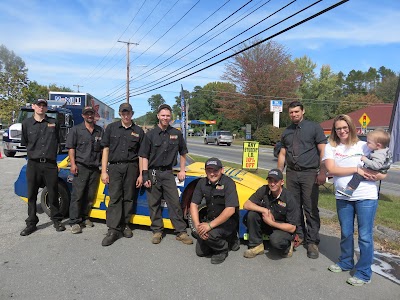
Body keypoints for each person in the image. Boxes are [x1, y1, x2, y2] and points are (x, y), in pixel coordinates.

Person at [323, 114, 386, 286]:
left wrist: (379, 175)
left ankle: (364, 273)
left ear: (351, 127)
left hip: (366, 197)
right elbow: (332, 169)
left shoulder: (365, 145)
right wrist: (357, 169)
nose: (342, 131)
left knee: (365, 236)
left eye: (345, 127)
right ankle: (345, 262)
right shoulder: (331, 147)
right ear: (335, 131)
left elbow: (382, 169)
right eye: (338, 128)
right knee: (346, 232)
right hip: (343, 196)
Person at [277, 101, 327, 259]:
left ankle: (312, 242)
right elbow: (283, 154)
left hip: (310, 174)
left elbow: (323, 150)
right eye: (291, 112)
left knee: (310, 208)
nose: (294, 114)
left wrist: (323, 172)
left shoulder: (314, 127)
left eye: (297, 112)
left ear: (303, 111)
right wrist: (278, 174)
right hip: (292, 173)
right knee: (293, 207)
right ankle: (300, 235)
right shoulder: (286, 132)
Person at [139, 104, 193, 245]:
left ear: (171, 117)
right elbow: (144, 156)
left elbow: (183, 152)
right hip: (153, 173)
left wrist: (182, 170)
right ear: (158, 116)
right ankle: (157, 231)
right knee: (154, 204)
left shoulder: (176, 133)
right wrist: (145, 175)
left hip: (168, 173)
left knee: (174, 203)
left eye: (168, 115)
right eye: (163, 115)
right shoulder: (150, 135)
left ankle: (181, 232)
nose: (165, 118)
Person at [100, 103, 144, 246]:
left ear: (132, 113)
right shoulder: (111, 128)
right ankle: (113, 229)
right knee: (114, 198)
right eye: (123, 113)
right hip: (115, 167)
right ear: (119, 114)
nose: (126, 115)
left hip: (132, 167)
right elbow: (105, 150)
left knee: (128, 198)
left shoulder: (138, 131)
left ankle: (125, 224)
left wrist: (141, 174)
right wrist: (104, 171)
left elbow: (141, 155)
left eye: (128, 113)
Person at [20, 99, 65, 236]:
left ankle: (56, 220)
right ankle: (31, 223)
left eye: (43, 106)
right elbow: (25, 142)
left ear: (46, 108)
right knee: (31, 194)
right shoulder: (26, 124)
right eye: (38, 105)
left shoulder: (54, 122)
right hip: (33, 163)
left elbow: (59, 141)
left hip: (50, 164)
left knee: (53, 193)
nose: (41, 107)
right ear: (33, 107)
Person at [190, 158, 240, 264]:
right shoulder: (202, 183)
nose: (212, 174)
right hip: (211, 219)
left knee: (211, 235)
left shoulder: (228, 183)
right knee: (200, 252)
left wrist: (209, 226)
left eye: (215, 170)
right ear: (205, 171)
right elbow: (193, 204)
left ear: (222, 170)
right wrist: (198, 226)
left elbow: (230, 210)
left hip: (228, 222)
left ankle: (222, 249)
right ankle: (224, 240)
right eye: (209, 170)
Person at [243, 169, 300, 259]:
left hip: (282, 228)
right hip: (268, 222)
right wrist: (264, 210)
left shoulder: (289, 198)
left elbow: (292, 228)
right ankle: (257, 245)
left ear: (282, 182)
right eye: (270, 181)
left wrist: (271, 223)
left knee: (276, 241)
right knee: (252, 214)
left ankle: (288, 246)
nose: (272, 184)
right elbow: (246, 204)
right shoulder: (264, 189)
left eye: (275, 181)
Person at [66, 106, 103, 234]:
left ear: (94, 115)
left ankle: (85, 217)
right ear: (83, 116)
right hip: (81, 166)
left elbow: (104, 149)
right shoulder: (76, 130)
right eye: (87, 114)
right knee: (77, 195)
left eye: (91, 114)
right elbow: (71, 148)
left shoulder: (99, 131)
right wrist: (73, 164)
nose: (89, 116)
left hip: (95, 168)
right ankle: (74, 222)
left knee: (90, 195)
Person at [337, 128, 391, 197]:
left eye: (369, 142)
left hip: (375, 172)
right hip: (377, 172)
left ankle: (350, 190)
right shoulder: (384, 150)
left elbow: (376, 166)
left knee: (358, 175)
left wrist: (365, 159)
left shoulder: (379, 154)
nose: (367, 144)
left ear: (378, 145)